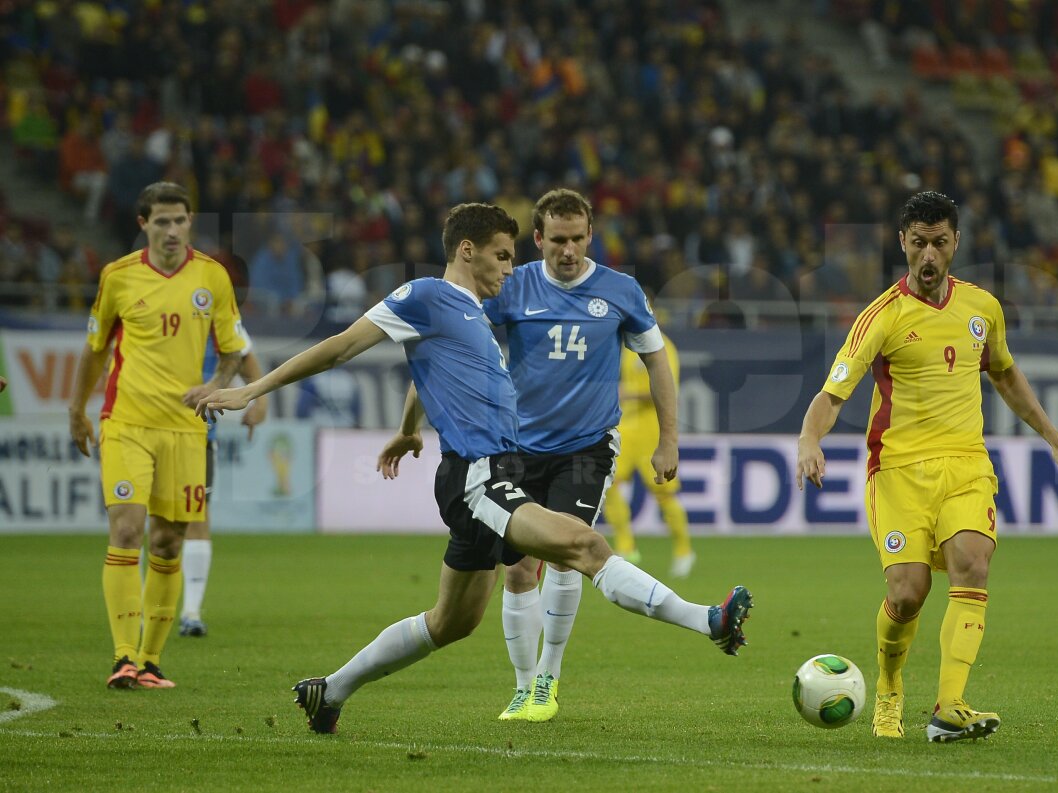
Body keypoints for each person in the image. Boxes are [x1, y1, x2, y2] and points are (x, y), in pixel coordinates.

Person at [195, 203, 752, 735]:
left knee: (450, 623)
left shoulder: (473, 315)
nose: (511, 270)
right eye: (504, 256)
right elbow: (340, 348)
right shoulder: (426, 295)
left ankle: (331, 690)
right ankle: (709, 621)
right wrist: (254, 388)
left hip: (496, 472)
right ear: (468, 251)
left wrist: (410, 425)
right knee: (583, 547)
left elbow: (431, 366)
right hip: (477, 478)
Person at [795, 191, 1058, 743]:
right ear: (902, 244)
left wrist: (1056, 441)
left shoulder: (982, 308)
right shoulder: (881, 318)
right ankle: (890, 687)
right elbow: (832, 394)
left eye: (939, 242)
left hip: (966, 463)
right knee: (908, 593)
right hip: (898, 471)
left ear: (956, 242)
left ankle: (950, 706)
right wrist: (808, 441)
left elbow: (1005, 374)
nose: (929, 255)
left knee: (972, 561)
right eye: (919, 244)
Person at [474, 188, 683, 723]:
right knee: (520, 570)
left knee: (568, 549)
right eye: (557, 240)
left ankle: (548, 678)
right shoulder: (512, 287)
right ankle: (522, 687)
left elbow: (657, 361)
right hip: (517, 446)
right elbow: (466, 336)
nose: (568, 250)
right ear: (538, 239)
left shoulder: (620, 290)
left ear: (591, 236)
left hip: (587, 445)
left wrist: (668, 440)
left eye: (577, 239)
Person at [68, 181, 249, 689]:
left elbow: (233, 346)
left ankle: (148, 662)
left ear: (190, 222)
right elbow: (95, 348)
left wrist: (216, 385)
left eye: (180, 220)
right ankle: (122, 655)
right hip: (126, 421)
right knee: (127, 530)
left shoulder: (212, 277)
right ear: (142, 224)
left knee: (168, 543)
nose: (172, 230)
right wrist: (75, 409)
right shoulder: (118, 276)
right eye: (162, 221)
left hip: (185, 429)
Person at [178, 340, 268, 638]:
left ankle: (191, 612)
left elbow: (243, 355)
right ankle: (137, 610)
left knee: (196, 515)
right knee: (142, 519)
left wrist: (261, 402)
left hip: (198, 434)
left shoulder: (216, 309)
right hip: (146, 427)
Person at [603, 330, 695, 577]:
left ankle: (684, 551)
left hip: (651, 430)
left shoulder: (663, 345)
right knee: (609, 484)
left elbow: (667, 390)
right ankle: (625, 548)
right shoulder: (624, 346)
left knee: (664, 493)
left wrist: (627, 393)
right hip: (626, 427)